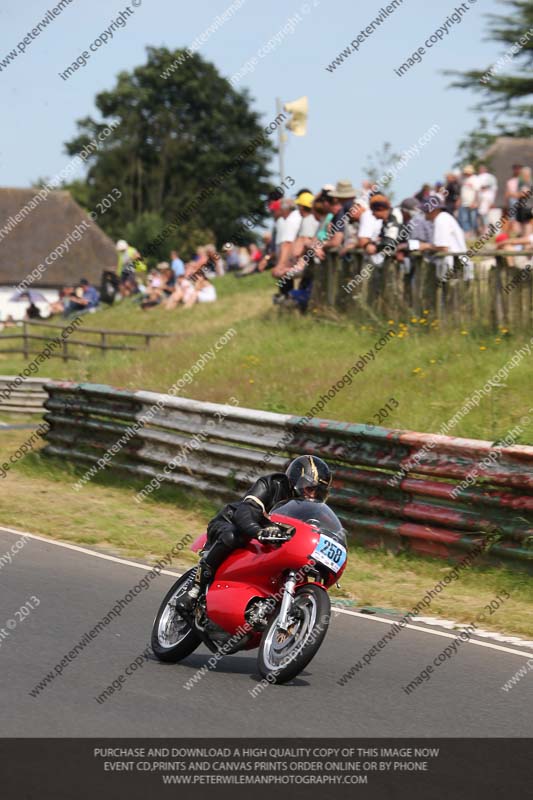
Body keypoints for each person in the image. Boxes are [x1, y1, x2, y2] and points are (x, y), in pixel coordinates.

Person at [176, 455, 333, 613]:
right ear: (295, 480)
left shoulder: (309, 511)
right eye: (310, 489)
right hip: (231, 524)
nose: (312, 496)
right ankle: (194, 590)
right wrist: (258, 531)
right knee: (232, 535)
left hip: (268, 542)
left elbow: (320, 530)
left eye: (318, 492)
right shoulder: (272, 485)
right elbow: (245, 511)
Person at [420, 194, 474, 282]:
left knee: (451, 294)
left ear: (434, 210)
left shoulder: (441, 220)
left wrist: (425, 246)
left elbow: (443, 248)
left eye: (425, 210)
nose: (424, 213)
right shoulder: (444, 218)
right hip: (456, 266)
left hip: (454, 268)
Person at [457, 165, 479, 234]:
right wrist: (459, 200)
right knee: (464, 219)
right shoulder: (463, 179)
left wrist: (474, 202)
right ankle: (467, 233)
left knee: (473, 219)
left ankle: (474, 232)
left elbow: (477, 191)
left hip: (472, 202)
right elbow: (462, 190)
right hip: (464, 203)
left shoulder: (475, 179)